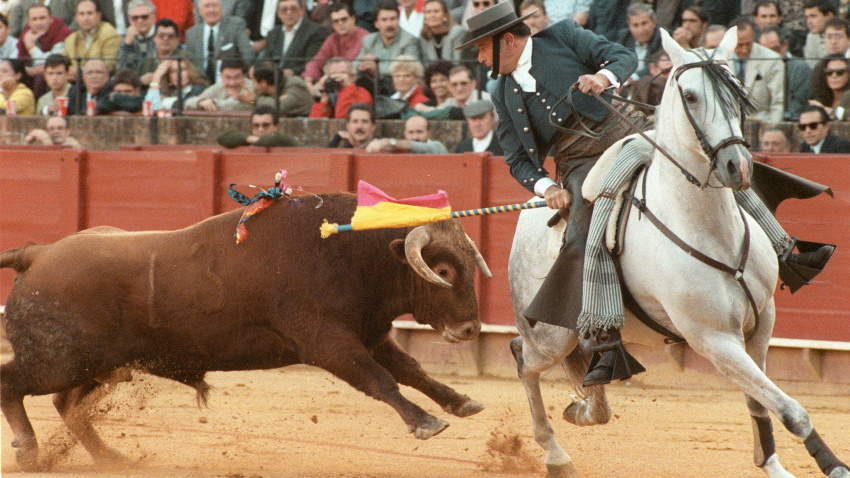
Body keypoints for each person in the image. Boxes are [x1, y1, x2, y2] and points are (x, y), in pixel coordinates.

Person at [457, 1, 654, 386]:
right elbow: (516, 159)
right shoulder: (502, 93)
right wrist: (546, 187)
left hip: (626, 133)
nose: (479, 59)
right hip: (580, 163)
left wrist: (603, 77)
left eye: (481, 49)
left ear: (507, 41)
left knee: (706, 160)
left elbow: (622, 56)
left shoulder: (562, 35)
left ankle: (777, 247)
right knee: (580, 237)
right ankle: (604, 340)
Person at [185, 0, 255, 84]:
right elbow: (190, 64)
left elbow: (248, 55)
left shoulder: (236, 25)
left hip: (230, 82)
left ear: (222, 8)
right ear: (199, 11)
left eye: (215, 6)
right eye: (207, 6)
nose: (211, 10)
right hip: (201, 83)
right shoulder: (192, 33)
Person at [731, 17, 785, 124]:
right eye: (739, 45)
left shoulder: (772, 59)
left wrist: (771, 128)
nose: (744, 50)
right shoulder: (718, 59)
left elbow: (778, 102)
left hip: (761, 123)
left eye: (748, 44)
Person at [302, 3, 369, 87]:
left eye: (344, 19)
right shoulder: (332, 39)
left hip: (358, 85)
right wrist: (308, 80)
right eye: (336, 21)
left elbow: (353, 68)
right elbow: (316, 62)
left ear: (353, 19)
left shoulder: (365, 37)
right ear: (333, 25)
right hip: (335, 83)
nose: (340, 24)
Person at [257, 0, 329, 77]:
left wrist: (293, 72)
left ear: (302, 10)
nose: (289, 13)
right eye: (284, 10)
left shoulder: (316, 31)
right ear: (278, 13)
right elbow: (266, 60)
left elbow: (312, 63)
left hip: (299, 78)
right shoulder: (273, 33)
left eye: (293, 9)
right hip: (273, 78)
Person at [355, 0, 421, 80]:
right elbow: (355, 66)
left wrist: (376, 67)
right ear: (376, 24)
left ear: (398, 20)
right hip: (373, 85)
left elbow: (409, 70)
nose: (389, 24)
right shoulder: (368, 40)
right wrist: (362, 65)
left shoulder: (409, 40)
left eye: (393, 19)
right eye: (384, 20)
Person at [757, 25, 812, 121]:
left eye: (774, 50)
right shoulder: (757, 69)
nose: (770, 56)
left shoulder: (800, 68)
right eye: (765, 51)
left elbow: (799, 103)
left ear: (785, 45)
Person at [62, 0, 121, 77]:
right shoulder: (71, 39)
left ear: (98, 15)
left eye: (90, 13)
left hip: (102, 81)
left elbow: (109, 65)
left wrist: (81, 71)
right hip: (75, 81)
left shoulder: (109, 33)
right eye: (82, 14)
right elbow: (62, 62)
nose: (86, 18)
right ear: (76, 17)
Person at [16, 4, 72, 80]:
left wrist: (31, 47)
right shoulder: (26, 35)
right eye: (34, 19)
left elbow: (51, 64)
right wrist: (30, 70)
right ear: (28, 22)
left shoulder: (62, 33)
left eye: (42, 18)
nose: (38, 23)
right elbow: (16, 66)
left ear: (51, 19)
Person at [309, 57, 373, 118]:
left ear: (352, 77)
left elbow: (343, 118)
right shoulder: (329, 95)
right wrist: (324, 101)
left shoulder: (362, 94)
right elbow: (314, 122)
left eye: (343, 73)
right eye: (334, 73)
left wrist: (348, 86)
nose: (338, 77)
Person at [184, 57, 254, 111]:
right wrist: (201, 102)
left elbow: (233, 106)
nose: (232, 83)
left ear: (244, 76)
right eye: (228, 77)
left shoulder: (252, 87)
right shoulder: (219, 86)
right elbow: (188, 103)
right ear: (221, 76)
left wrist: (213, 103)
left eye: (237, 77)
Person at [617, 2, 662, 82]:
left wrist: (633, 78)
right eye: (635, 25)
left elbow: (657, 65)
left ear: (654, 22)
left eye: (644, 23)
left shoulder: (663, 38)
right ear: (629, 26)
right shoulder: (624, 37)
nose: (640, 30)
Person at [216, 105, 299, 148]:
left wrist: (253, 140)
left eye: (266, 125)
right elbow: (222, 138)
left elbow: (273, 139)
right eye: (256, 125)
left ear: (276, 126)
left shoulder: (283, 140)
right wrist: (248, 139)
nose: (260, 129)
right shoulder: (250, 140)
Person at [365, 114, 448, 153]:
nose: (415, 137)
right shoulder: (399, 149)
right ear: (405, 133)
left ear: (428, 133)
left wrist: (387, 142)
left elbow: (415, 146)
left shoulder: (437, 147)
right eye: (411, 132)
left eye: (419, 132)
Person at [137, 18, 183, 86]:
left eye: (170, 36)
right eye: (161, 36)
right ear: (154, 38)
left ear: (177, 39)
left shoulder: (186, 58)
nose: (165, 39)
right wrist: (141, 81)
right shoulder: (146, 59)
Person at [117, 0, 158, 76]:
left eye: (144, 17)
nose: (140, 21)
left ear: (153, 18)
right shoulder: (126, 40)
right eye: (135, 18)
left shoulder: (161, 35)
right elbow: (121, 73)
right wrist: (128, 45)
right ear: (129, 20)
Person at [628, 50, 671, 116]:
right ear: (652, 68)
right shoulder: (642, 85)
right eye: (665, 71)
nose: (670, 77)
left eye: (674, 72)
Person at [809, 54, 850, 120]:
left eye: (840, 72)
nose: (834, 76)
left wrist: (827, 111)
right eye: (829, 72)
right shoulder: (820, 99)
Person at [803, 0, 836, 68]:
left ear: (829, 16)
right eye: (807, 17)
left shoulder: (846, 33)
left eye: (813, 16)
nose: (809, 21)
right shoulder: (811, 36)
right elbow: (812, 67)